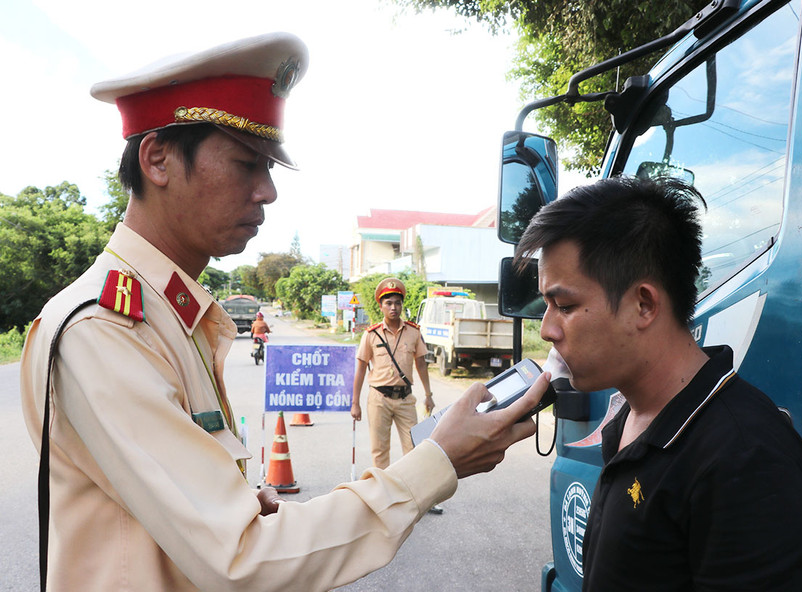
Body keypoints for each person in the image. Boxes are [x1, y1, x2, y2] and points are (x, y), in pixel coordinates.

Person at [20, 33, 548, 592]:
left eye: (268, 168)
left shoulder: (169, 313)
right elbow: (243, 559)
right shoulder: (104, 329)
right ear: (157, 159)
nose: (268, 192)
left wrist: (238, 501)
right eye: (247, 164)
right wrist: (439, 460)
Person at [515, 175, 802, 591]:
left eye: (565, 306)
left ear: (644, 304)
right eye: (546, 306)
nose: (547, 329)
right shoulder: (630, 416)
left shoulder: (745, 458)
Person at [349, 278, 443, 514]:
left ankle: (419, 497)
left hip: (405, 399)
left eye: (397, 303)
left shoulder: (413, 332)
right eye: (388, 303)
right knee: (379, 451)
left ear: (402, 305)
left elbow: (421, 364)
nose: (393, 307)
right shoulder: (371, 335)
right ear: (381, 306)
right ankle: (383, 498)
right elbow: (361, 369)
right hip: (378, 399)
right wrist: (355, 403)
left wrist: (428, 394)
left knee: (414, 448)